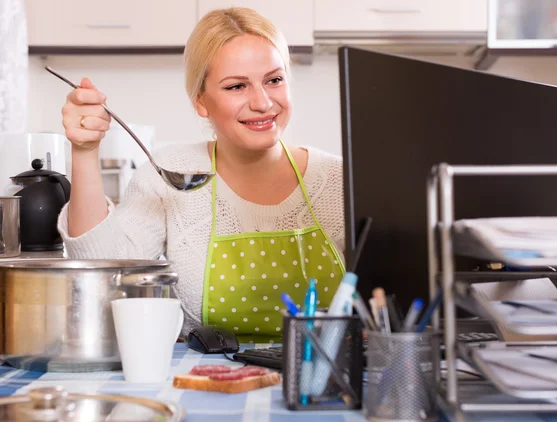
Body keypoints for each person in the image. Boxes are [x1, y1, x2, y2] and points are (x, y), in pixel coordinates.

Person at [58, 7, 345, 337]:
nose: (263, 103)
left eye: (274, 80)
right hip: (204, 380)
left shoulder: (339, 179)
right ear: (201, 101)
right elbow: (104, 268)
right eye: (237, 86)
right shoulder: (169, 174)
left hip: (323, 377)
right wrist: (84, 151)